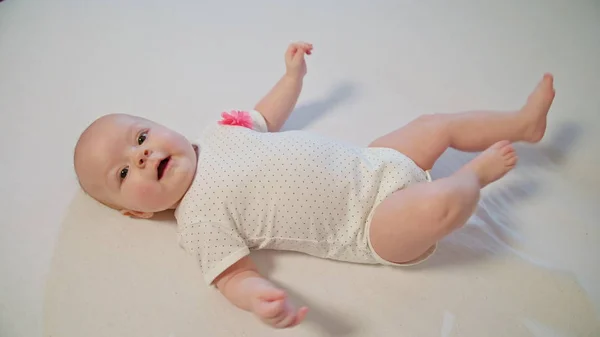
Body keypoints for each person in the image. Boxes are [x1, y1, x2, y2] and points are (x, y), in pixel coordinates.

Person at [73, 41, 555, 329]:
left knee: (433, 125)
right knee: (434, 209)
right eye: (122, 174)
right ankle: (473, 178)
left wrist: (292, 75)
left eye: (139, 136)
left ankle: (522, 123)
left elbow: (267, 113)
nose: (140, 155)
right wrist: (258, 298)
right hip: (370, 226)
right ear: (135, 213)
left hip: (373, 161)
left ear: (159, 124)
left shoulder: (220, 130)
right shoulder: (197, 220)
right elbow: (232, 277)